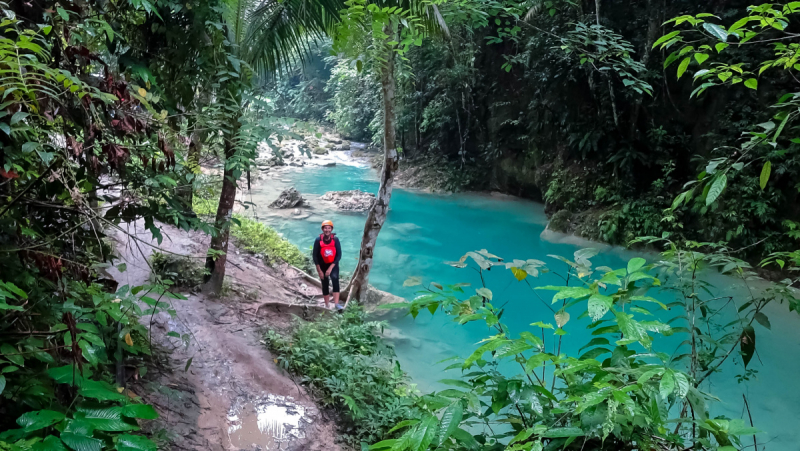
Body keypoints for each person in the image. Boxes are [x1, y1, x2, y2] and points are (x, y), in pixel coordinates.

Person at [312, 220, 342, 310]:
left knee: (335, 279)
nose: (327, 230)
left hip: (333, 264)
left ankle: (337, 304)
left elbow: (339, 255)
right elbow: (314, 255)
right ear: (322, 229)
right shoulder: (318, 240)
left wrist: (331, 268)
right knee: (325, 283)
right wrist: (319, 270)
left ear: (331, 229)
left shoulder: (335, 239)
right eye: (325, 228)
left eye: (329, 228)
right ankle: (327, 305)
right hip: (322, 265)